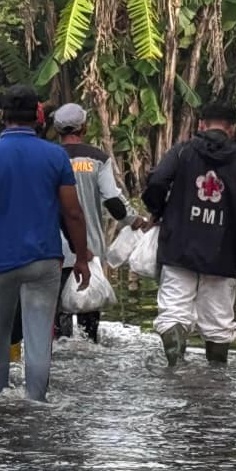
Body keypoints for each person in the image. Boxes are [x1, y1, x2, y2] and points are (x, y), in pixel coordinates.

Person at [0, 85, 92, 400]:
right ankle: (37, 402)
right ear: (38, 116)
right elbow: (73, 212)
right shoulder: (55, 156)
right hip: (44, 261)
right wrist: (81, 257)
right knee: (39, 338)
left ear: (2, 115)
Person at [141, 100, 236, 366]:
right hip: (222, 254)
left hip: (178, 248)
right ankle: (217, 377)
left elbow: (157, 180)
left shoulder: (182, 152)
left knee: (173, 314)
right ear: (231, 128)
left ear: (201, 124)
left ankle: (175, 368)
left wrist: (157, 210)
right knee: (219, 322)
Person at [51, 103, 147, 342]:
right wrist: (133, 219)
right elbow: (112, 200)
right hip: (89, 250)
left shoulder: (47, 157)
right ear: (84, 127)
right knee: (89, 319)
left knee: (57, 319)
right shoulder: (98, 159)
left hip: (53, 250)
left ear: (57, 129)